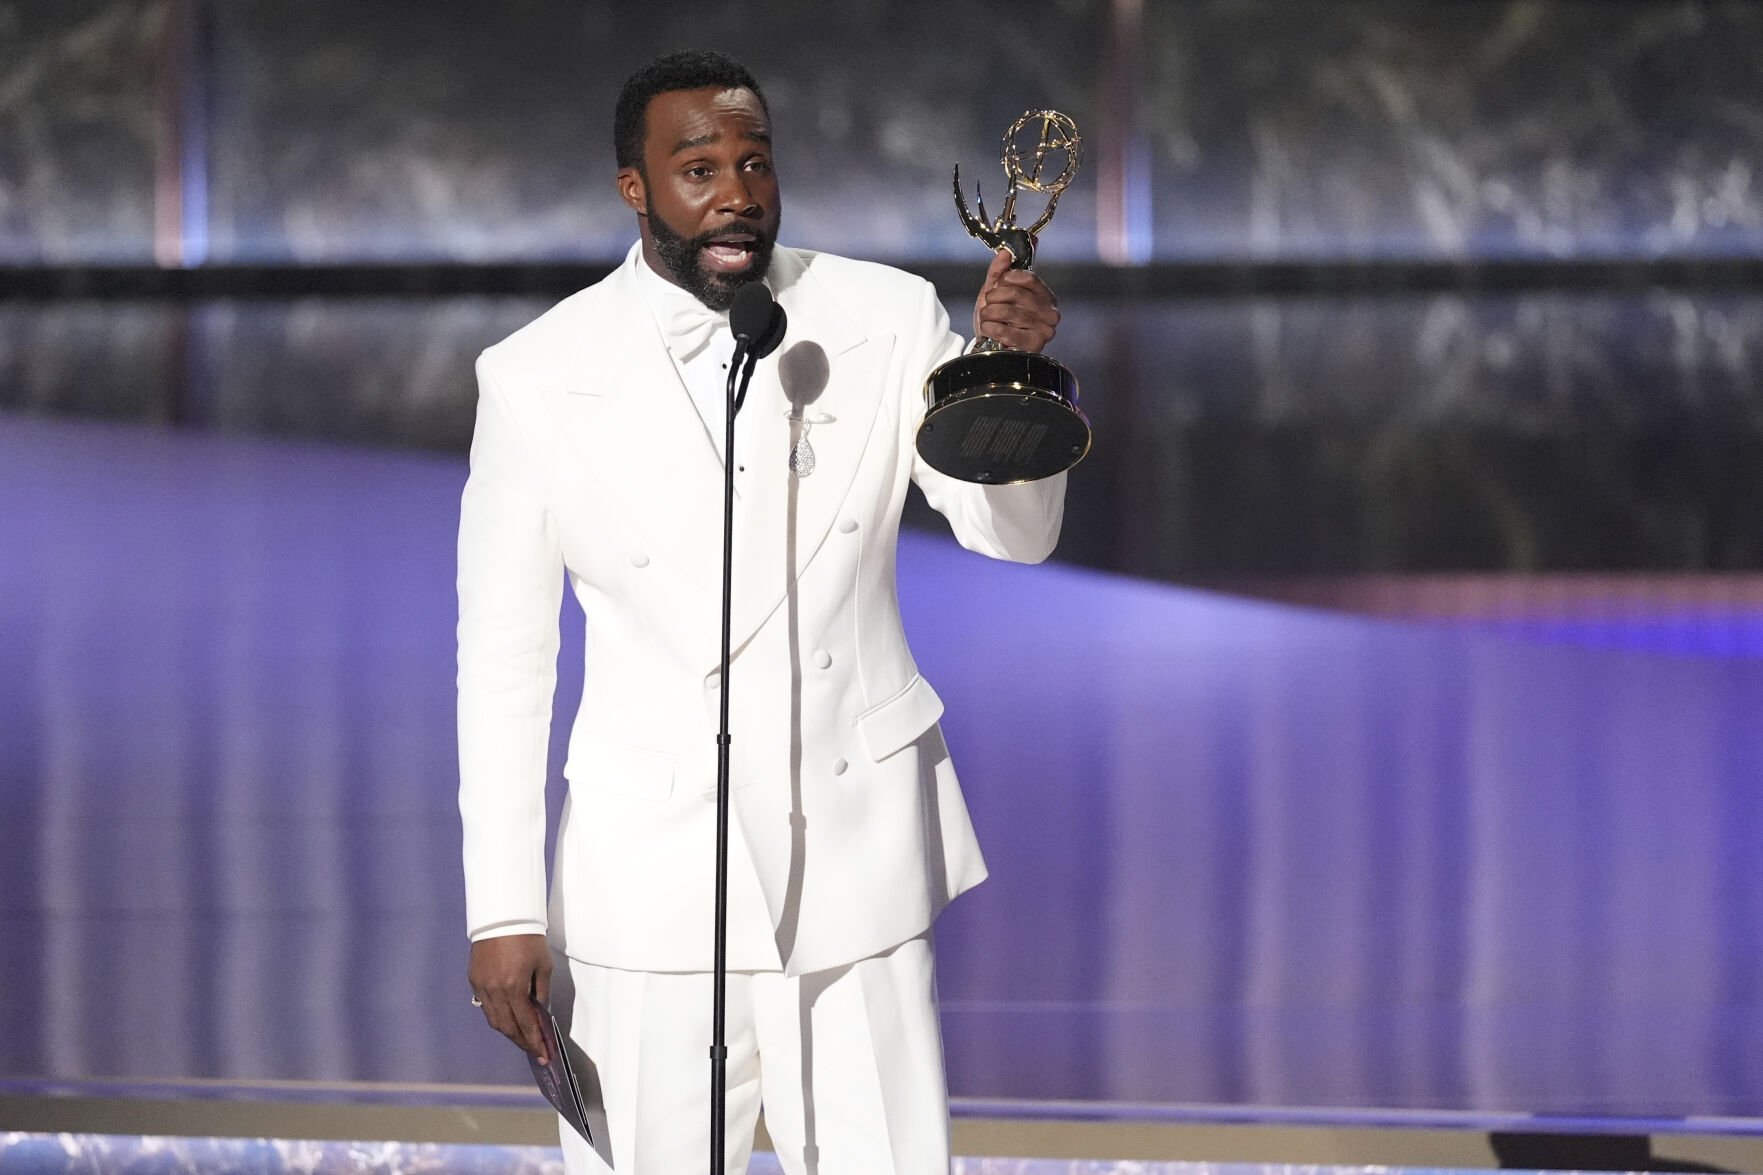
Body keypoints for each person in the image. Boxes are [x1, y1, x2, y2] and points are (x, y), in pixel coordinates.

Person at [457, 49, 1066, 1174]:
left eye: (753, 161)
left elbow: (1011, 533)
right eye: (697, 168)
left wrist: (1008, 381)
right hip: (649, 894)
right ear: (634, 189)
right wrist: (500, 907)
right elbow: (504, 664)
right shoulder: (536, 374)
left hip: (858, 874)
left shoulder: (882, 318)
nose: (735, 190)